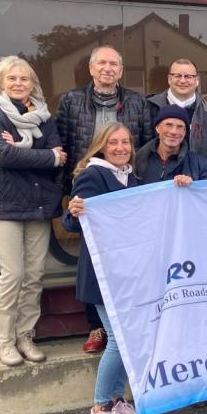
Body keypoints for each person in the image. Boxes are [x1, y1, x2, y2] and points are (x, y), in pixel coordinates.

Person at [55, 45, 151, 355]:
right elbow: (63, 142)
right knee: (93, 255)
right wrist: (68, 190)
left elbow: (144, 142)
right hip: (91, 182)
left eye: (114, 64)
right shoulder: (71, 100)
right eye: (102, 63)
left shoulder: (137, 102)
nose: (108, 68)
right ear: (91, 69)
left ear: (121, 71)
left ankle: (121, 323)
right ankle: (96, 325)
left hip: (124, 182)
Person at [0, 56, 66, 367]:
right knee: (13, 276)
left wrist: (20, 149)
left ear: (33, 84)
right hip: (4, 205)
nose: (18, 83)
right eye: (12, 78)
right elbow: (2, 155)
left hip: (38, 204)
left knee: (34, 275)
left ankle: (25, 335)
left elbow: (60, 155)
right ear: (0, 83)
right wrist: (45, 156)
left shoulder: (44, 117)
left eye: (24, 78)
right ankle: (5, 342)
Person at [62, 123, 144, 414]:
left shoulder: (131, 177)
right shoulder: (93, 175)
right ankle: (101, 406)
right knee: (118, 340)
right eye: (113, 143)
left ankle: (115, 398)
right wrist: (73, 212)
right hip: (102, 275)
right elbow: (73, 221)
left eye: (125, 142)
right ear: (102, 146)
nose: (120, 148)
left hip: (126, 273)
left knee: (126, 338)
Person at [146, 58, 207, 165]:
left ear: (197, 80)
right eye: (178, 76)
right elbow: (140, 151)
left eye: (188, 76)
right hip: (158, 175)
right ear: (169, 79)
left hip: (198, 175)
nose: (183, 81)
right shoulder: (148, 108)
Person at [134, 105, 207, 184]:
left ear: (185, 132)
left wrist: (192, 186)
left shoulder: (202, 166)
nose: (174, 132)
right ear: (157, 128)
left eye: (180, 127)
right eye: (168, 125)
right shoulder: (137, 162)